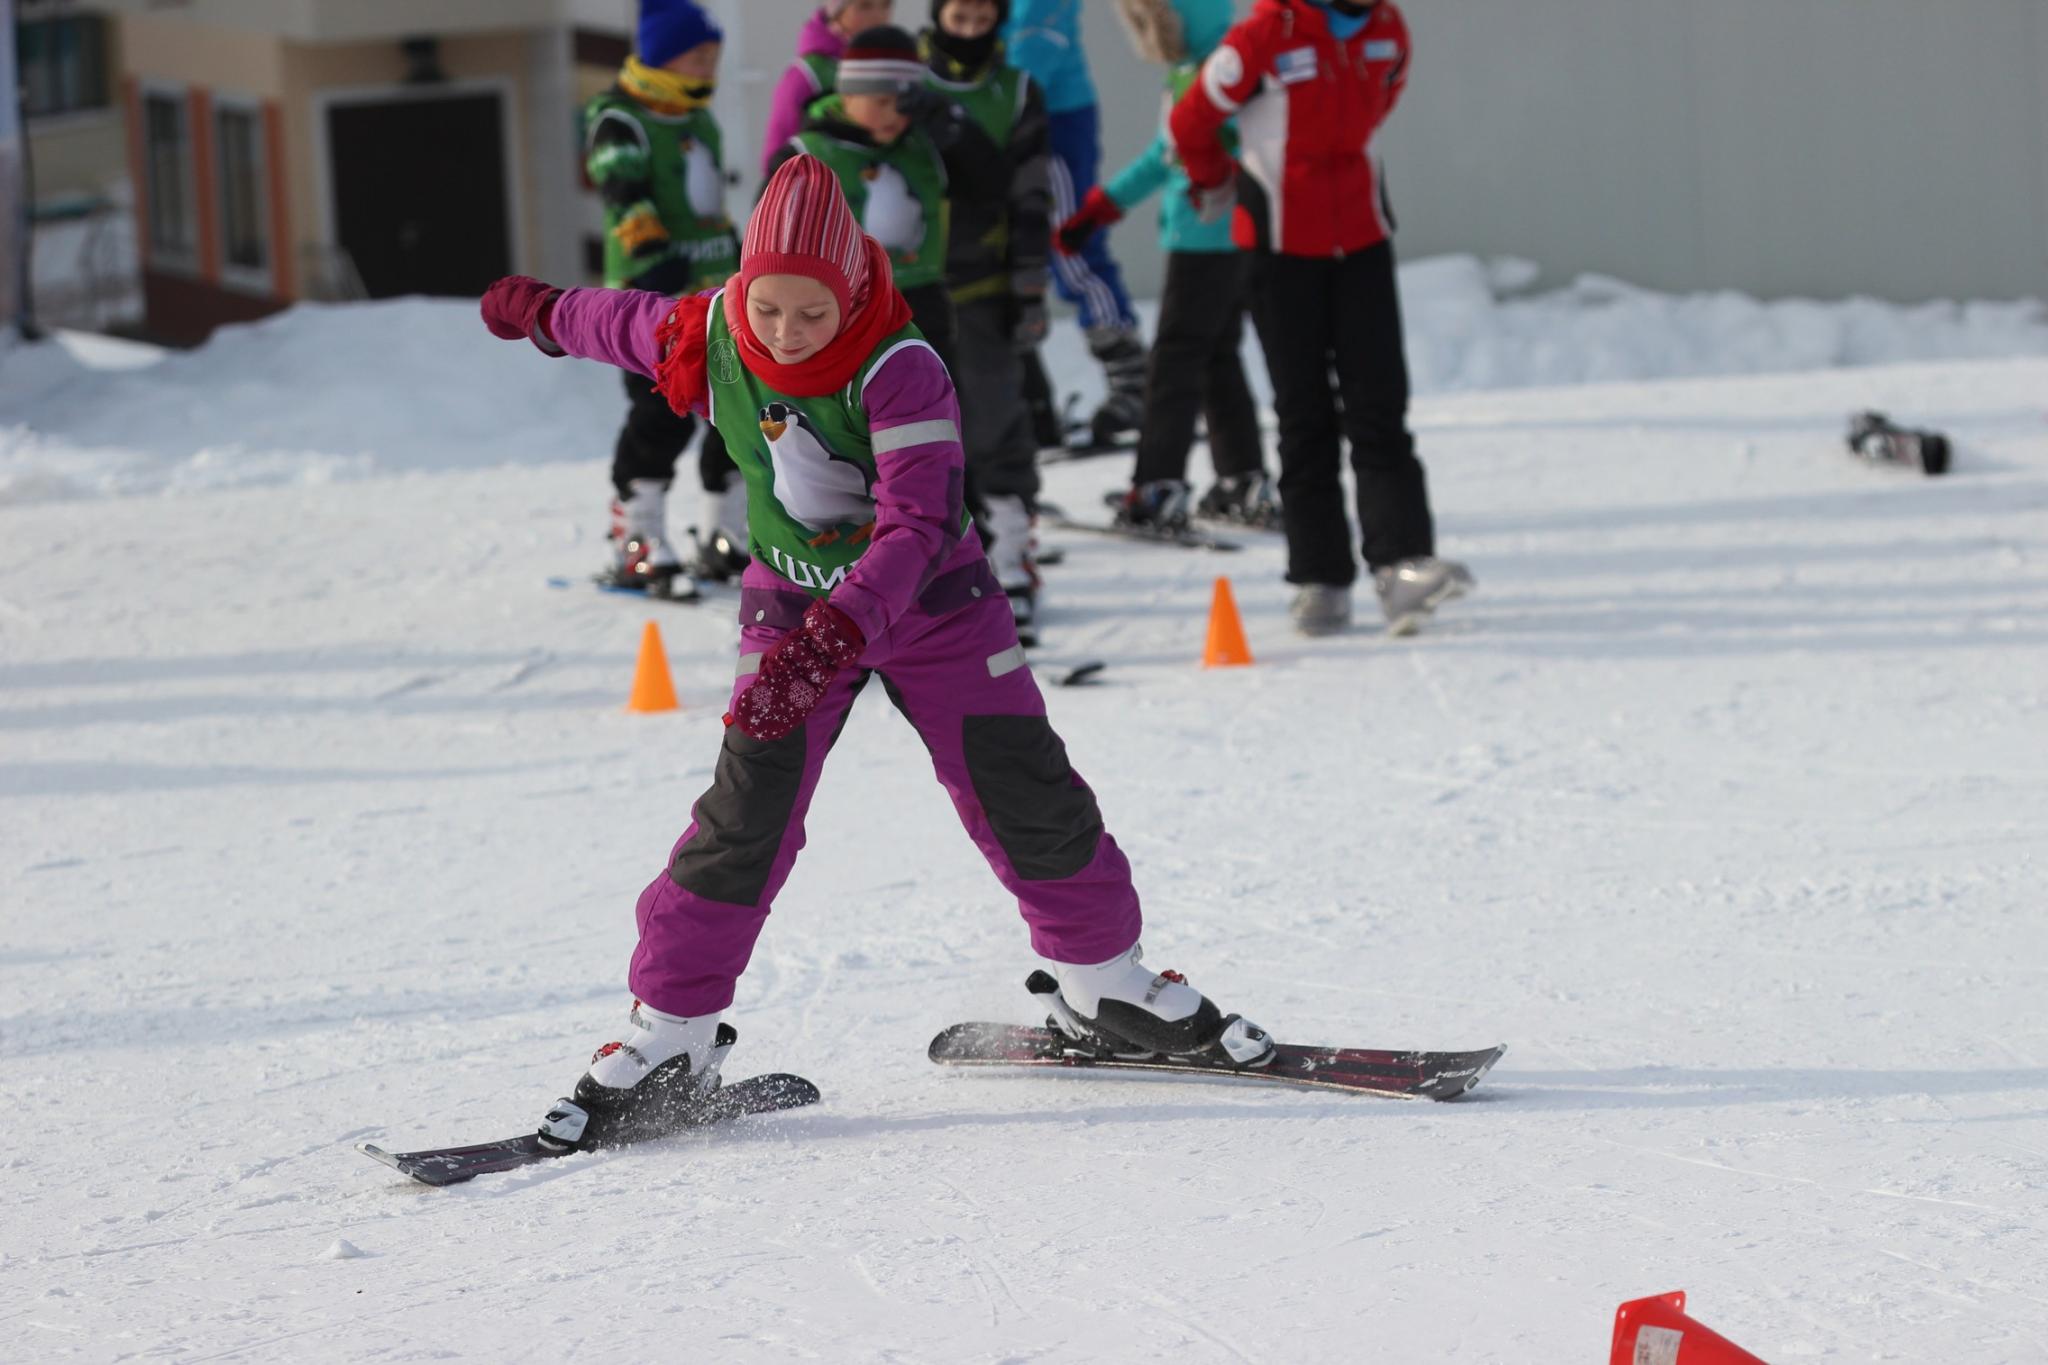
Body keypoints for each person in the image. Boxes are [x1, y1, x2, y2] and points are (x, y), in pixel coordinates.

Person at [478, 156, 1272, 1145]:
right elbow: (616, 321)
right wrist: (539, 311)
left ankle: (1102, 986)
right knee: (744, 812)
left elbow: (917, 523)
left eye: (810, 313)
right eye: (767, 308)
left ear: (850, 289)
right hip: (788, 604)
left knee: (1023, 787)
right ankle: (670, 1035)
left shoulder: (900, 367)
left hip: (934, 606)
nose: (785, 332)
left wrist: (836, 637)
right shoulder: (712, 328)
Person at [1170, 0, 1474, 636]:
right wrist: (1218, 181)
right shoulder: (1263, 33)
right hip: (1280, 248)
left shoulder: (1387, 28)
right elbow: (1191, 119)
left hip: (1361, 238)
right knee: (1304, 412)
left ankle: (1401, 567)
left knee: (1380, 406)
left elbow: (1385, 96)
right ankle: (1320, 578)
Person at [1060, 0, 1276, 536]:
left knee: (1176, 360)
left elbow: (1224, 147)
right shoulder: (1196, 70)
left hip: (1206, 234)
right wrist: (1103, 205)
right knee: (1214, 357)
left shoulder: (1222, 71)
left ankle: (1157, 487)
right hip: (1220, 233)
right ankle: (1242, 478)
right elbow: (1167, 153)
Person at [585, 0, 748, 594]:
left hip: (714, 295)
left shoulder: (699, 119)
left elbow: (708, 208)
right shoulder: (620, 118)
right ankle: (638, 535)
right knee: (661, 416)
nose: (709, 66)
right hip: (648, 300)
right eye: (697, 54)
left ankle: (725, 530)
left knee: (735, 411)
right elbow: (622, 193)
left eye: (713, 55)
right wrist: (655, 257)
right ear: (661, 55)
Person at [921, 0, 1053, 641]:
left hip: (982, 283)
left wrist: (1030, 282)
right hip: (908, 287)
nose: (969, 30)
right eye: (958, 16)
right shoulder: (903, 80)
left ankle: (1009, 559)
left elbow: (1032, 189)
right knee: (911, 433)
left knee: (995, 419)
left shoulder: (1016, 90)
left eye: (982, 18)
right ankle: (922, 571)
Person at [763, 24, 992, 375]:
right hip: (837, 315)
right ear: (848, 94)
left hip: (920, 308)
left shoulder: (923, 147)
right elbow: (766, 249)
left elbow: (990, 187)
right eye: (882, 102)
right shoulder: (807, 155)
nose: (895, 116)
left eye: (905, 105)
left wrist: (951, 125)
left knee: (933, 419)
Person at [1003, 0, 1149, 448]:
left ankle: (1132, 376)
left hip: (1049, 120)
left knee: (1070, 245)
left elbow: (1030, 56)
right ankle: (1028, 401)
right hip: (1007, 119)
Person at [759, 0, 897, 176]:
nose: (878, 16)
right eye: (864, 6)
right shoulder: (809, 74)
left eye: (886, 5)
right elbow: (777, 155)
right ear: (836, 13)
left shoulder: (895, 66)